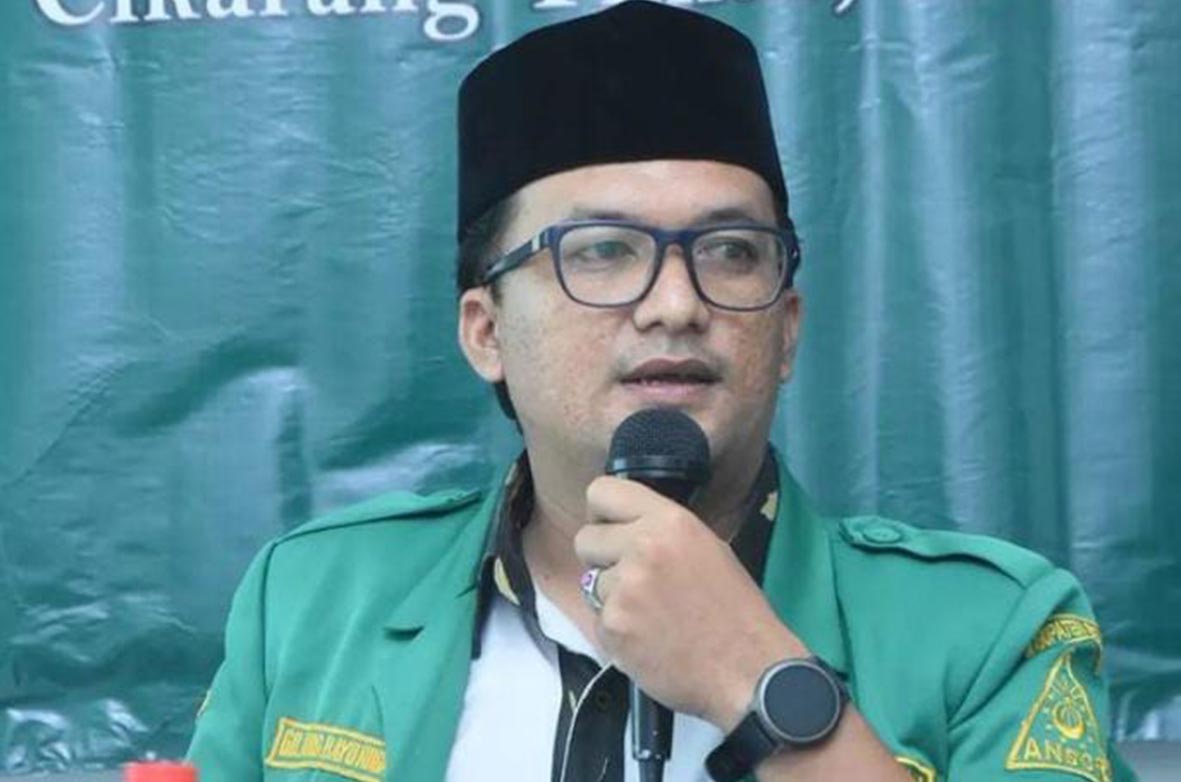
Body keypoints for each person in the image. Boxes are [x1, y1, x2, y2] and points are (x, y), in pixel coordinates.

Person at [186, 3, 1136, 781]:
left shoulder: (991, 628)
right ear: (486, 332)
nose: (676, 305)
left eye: (729, 252)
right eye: (601, 251)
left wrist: (758, 681)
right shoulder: (311, 598)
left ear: (787, 329)